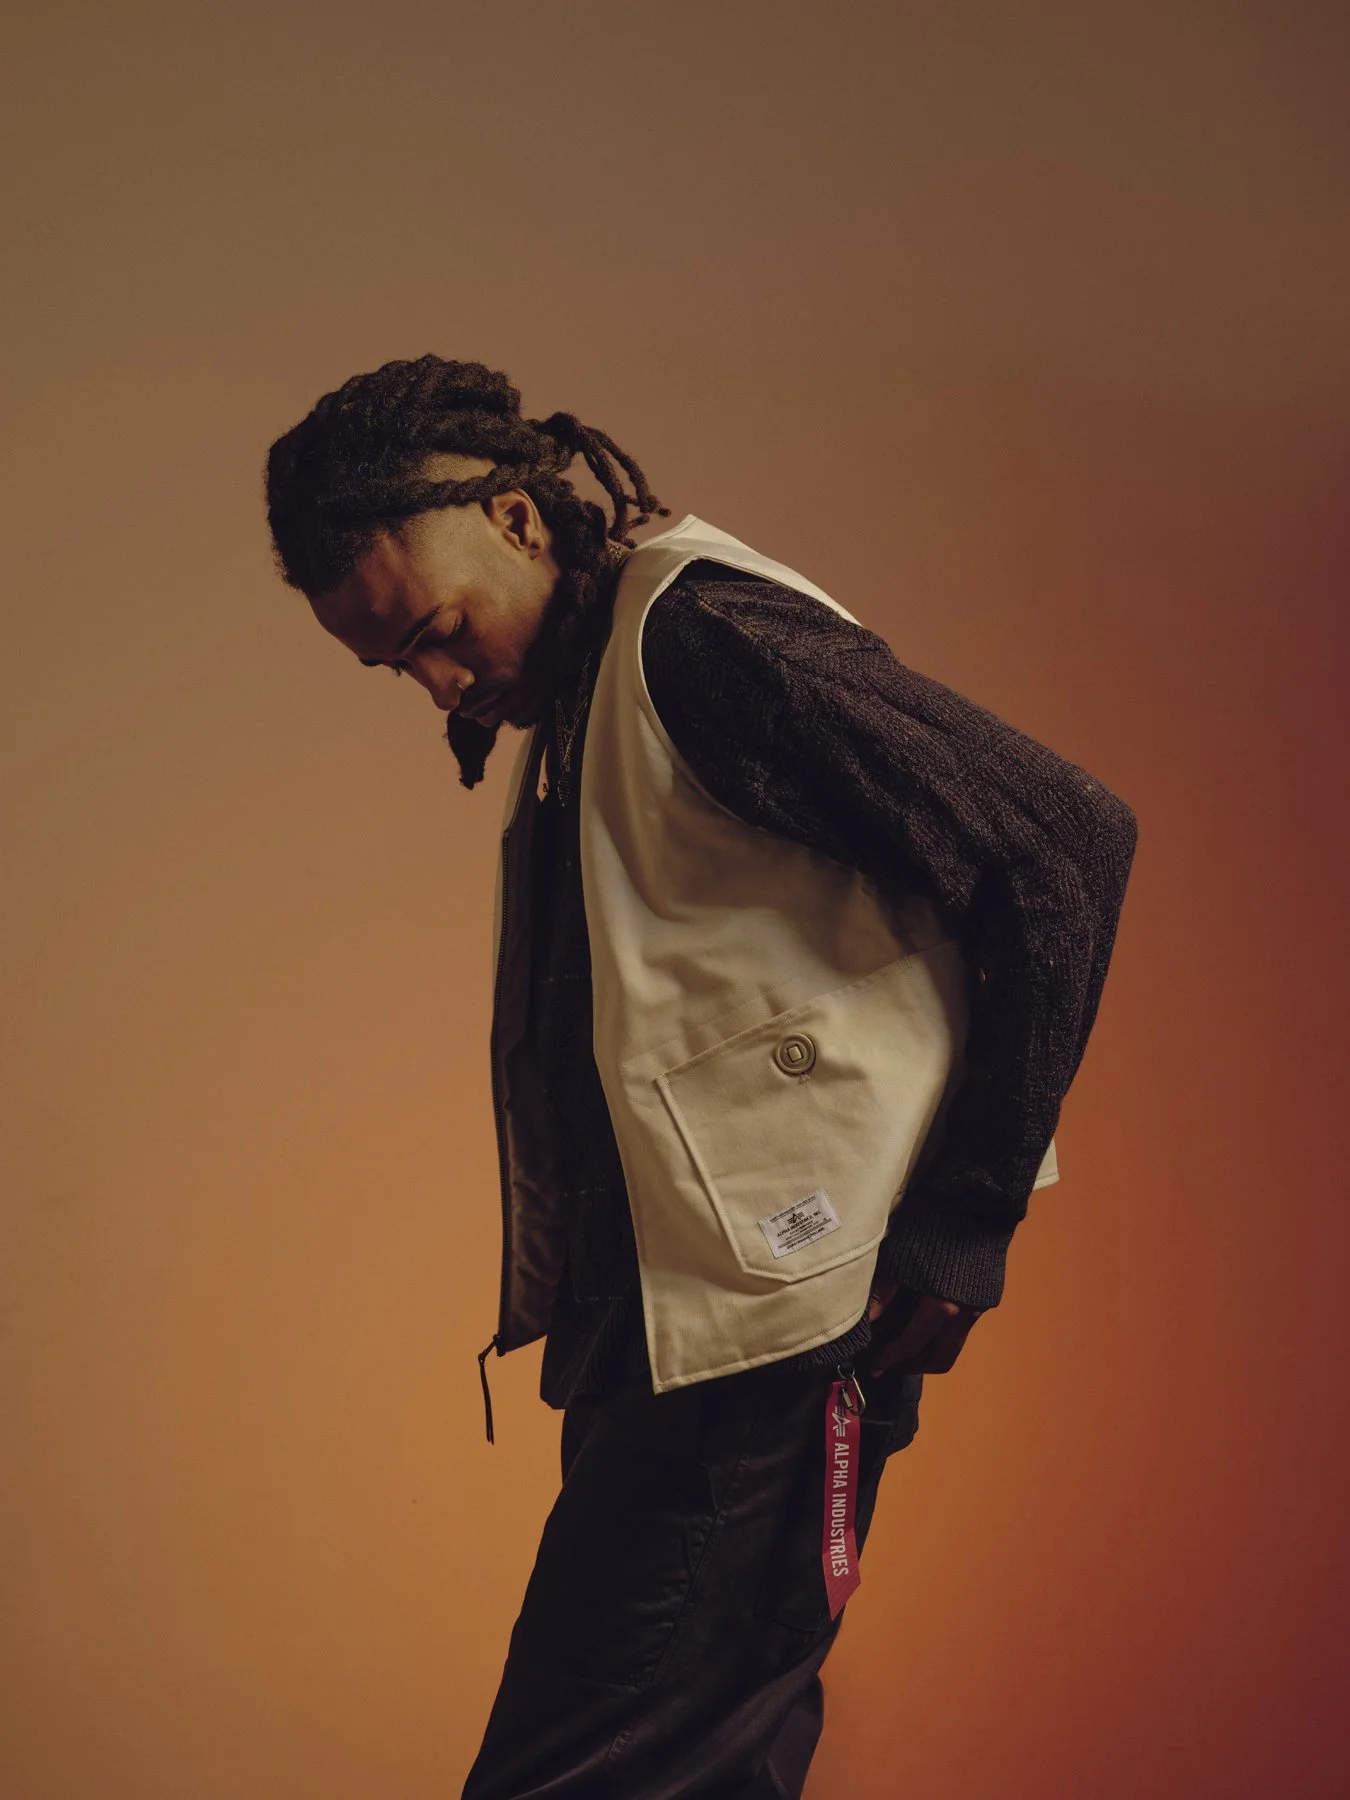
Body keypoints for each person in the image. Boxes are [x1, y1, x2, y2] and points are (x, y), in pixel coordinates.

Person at [264, 355, 1138, 1798]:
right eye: (396, 667)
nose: (438, 685)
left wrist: (967, 1221)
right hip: (684, 1341)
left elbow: (1061, 841)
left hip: (768, 1347)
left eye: (437, 632)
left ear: (515, 518)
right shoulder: (594, 681)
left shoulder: (702, 642)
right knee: (708, 1762)